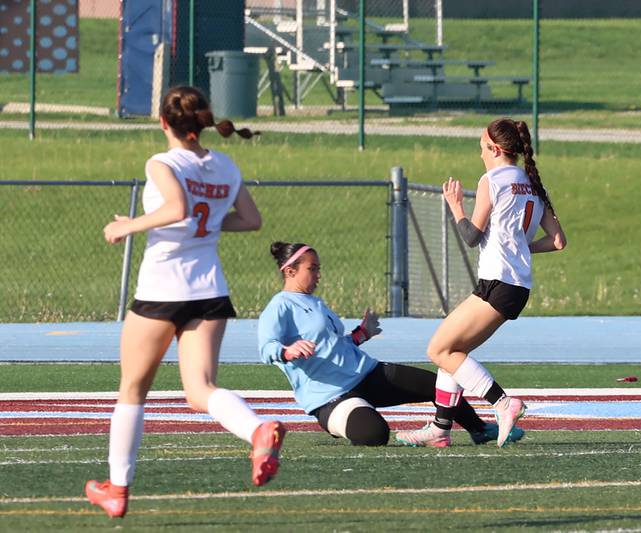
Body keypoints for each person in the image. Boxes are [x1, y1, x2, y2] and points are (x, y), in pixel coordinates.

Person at [85, 86, 286, 519]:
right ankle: (257, 430)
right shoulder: (225, 165)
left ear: (163, 123)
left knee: (132, 389)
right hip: (208, 290)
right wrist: (209, 225)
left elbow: (176, 208)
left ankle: (116, 490)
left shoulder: (162, 161)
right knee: (200, 390)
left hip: (161, 290)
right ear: (203, 123)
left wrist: (130, 226)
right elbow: (251, 220)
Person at [396, 118, 566, 448]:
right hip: (516, 286)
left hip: (498, 282)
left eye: (481, 147)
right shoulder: (533, 184)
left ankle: (504, 404)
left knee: (439, 349)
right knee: (454, 352)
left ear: (496, 149)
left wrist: (456, 207)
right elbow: (558, 241)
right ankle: (440, 428)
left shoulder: (493, 180)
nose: (480, 155)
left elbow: (472, 236)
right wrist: (522, 247)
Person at [257, 241, 524, 447]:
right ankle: (347, 418)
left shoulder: (315, 303)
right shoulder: (279, 306)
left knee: (435, 385)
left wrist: (362, 334)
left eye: (318, 268)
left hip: (366, 373)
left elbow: (334, 346)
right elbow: (266, 348)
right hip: (331, 396)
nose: (318, 274)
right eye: (311, 269)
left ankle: (478, 429)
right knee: (375, 434)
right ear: (290, 271)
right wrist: (286, 351)